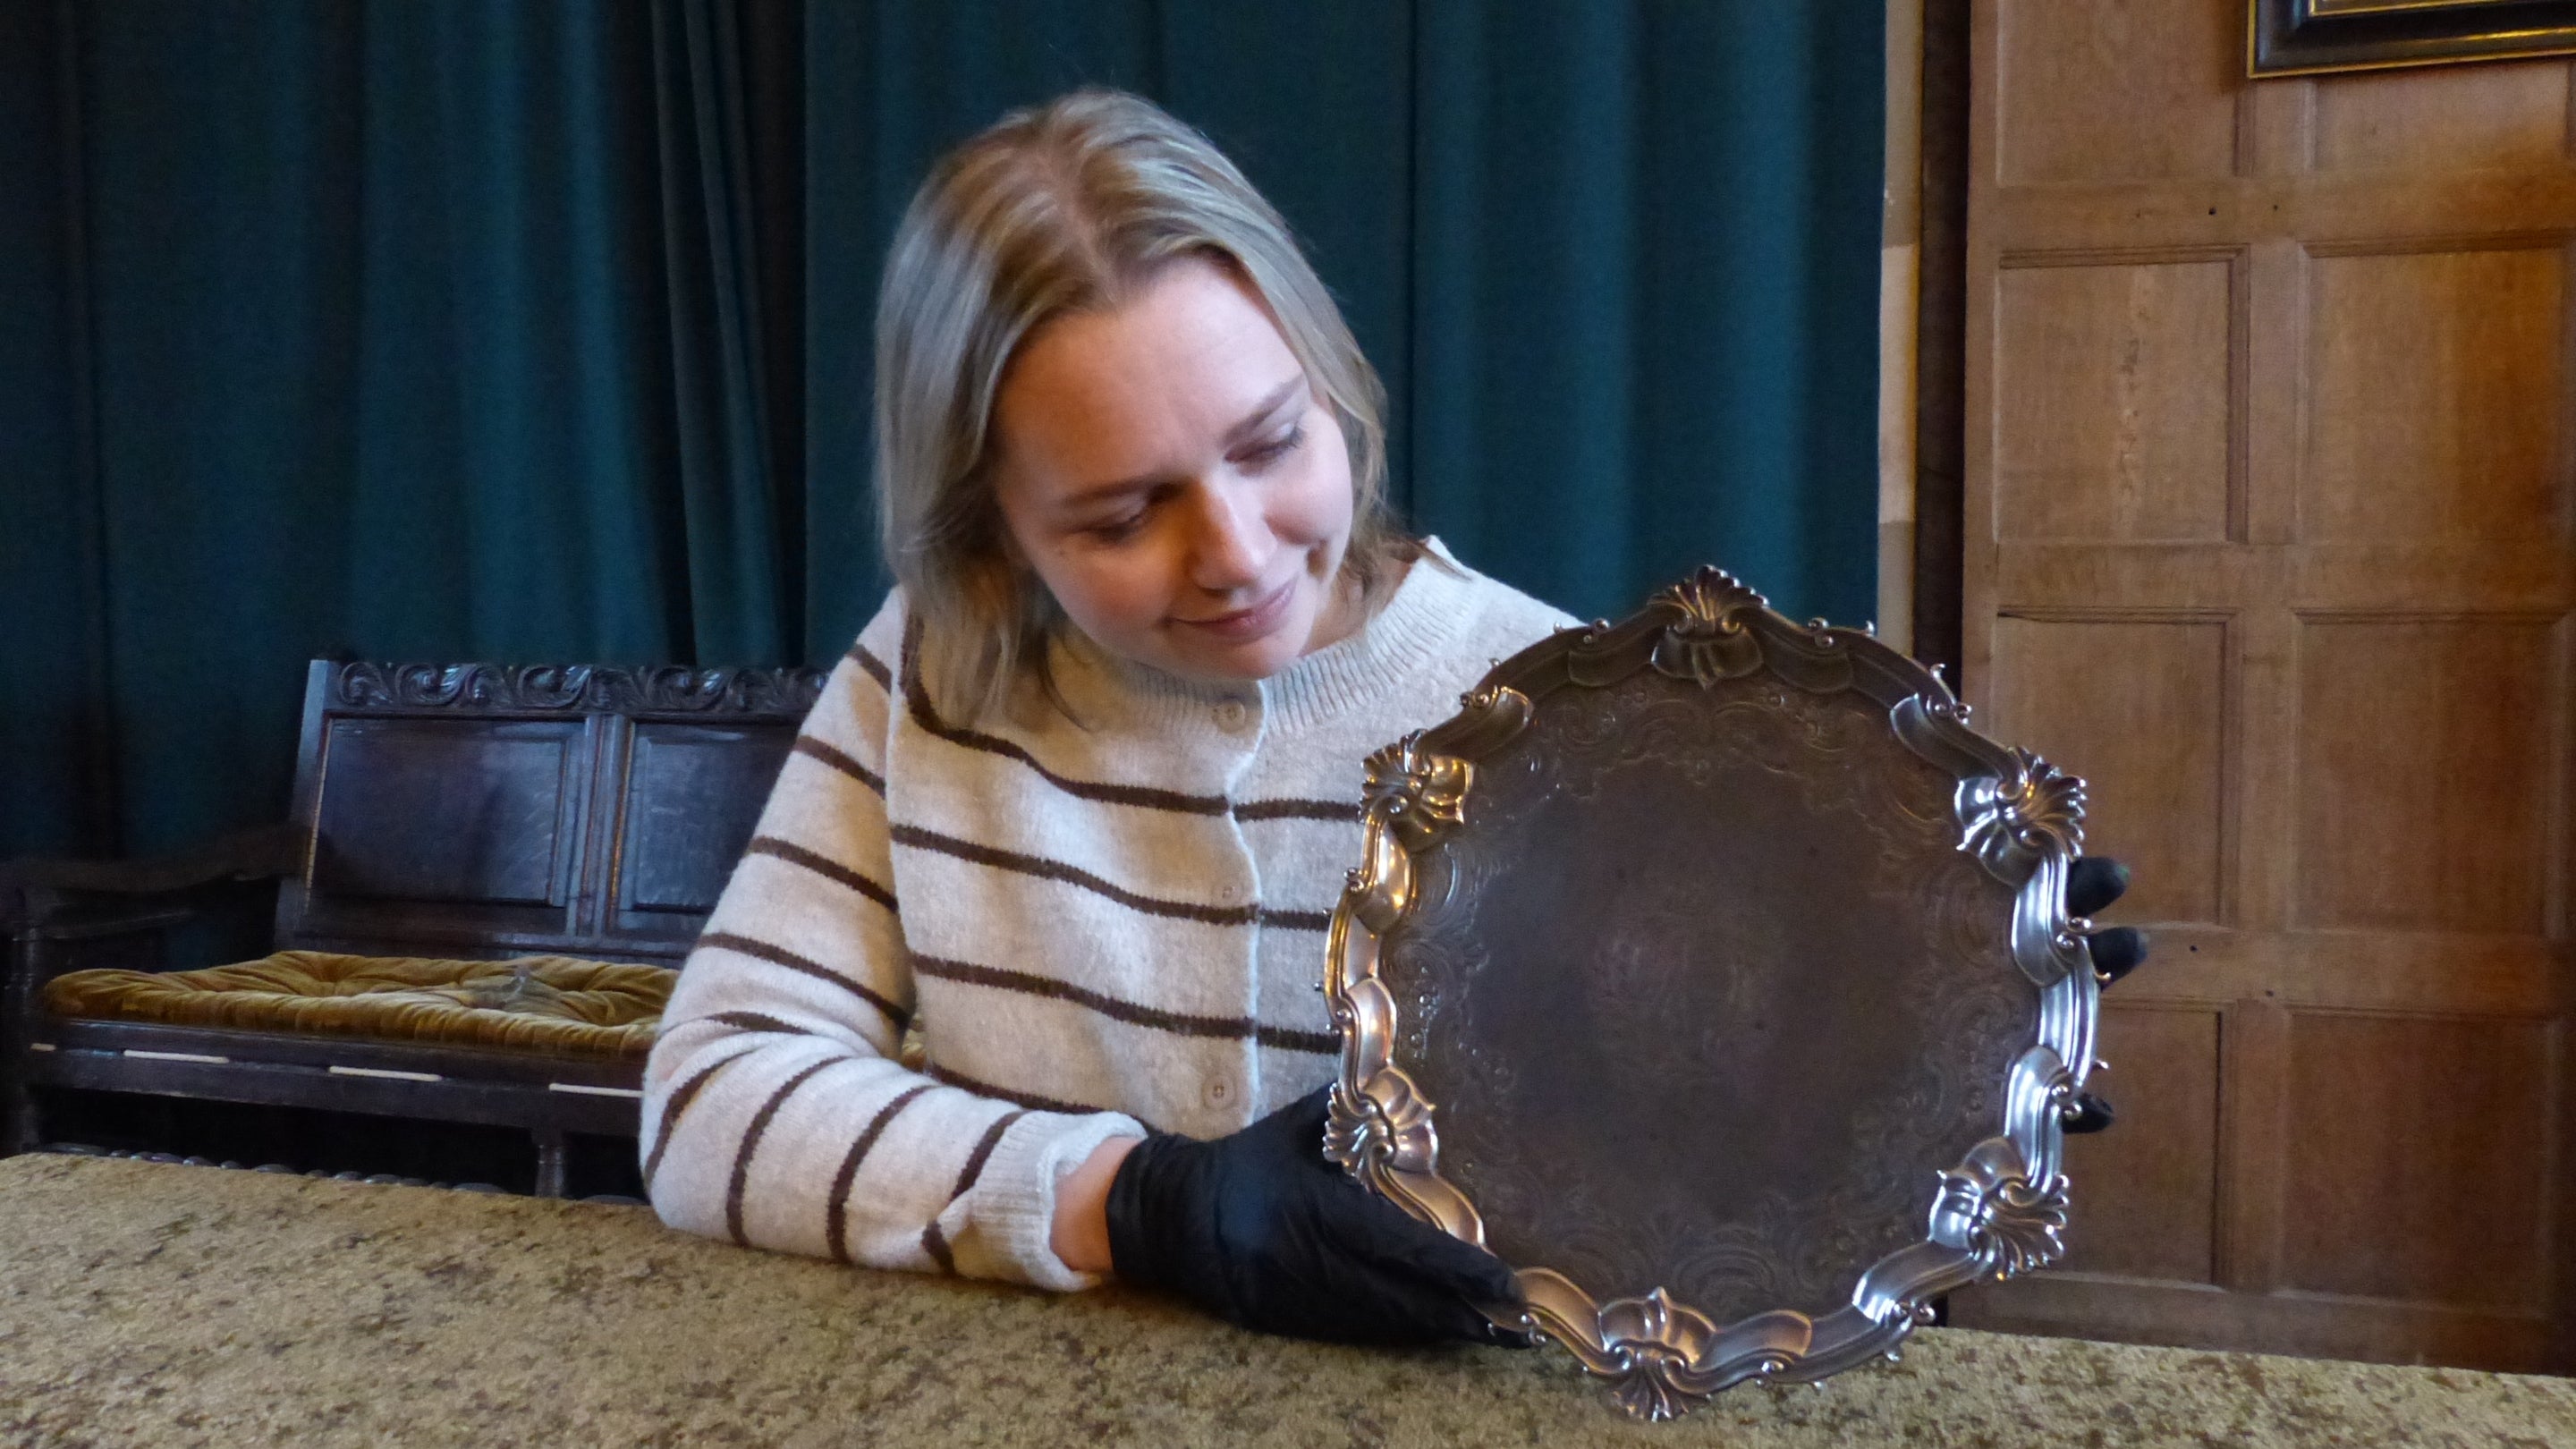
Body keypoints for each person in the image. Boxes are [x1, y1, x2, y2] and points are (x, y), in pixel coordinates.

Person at [639, 88, 2144, 1348]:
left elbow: (1696, 1245)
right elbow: (710, 1105)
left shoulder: (1561, 710)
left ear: (1329, 380)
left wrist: (1888, 1093)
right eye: (1121, 514)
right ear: (989, 539)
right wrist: (1139, 1204)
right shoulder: (936, 676)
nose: (1233, 552)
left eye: (1269, 441)